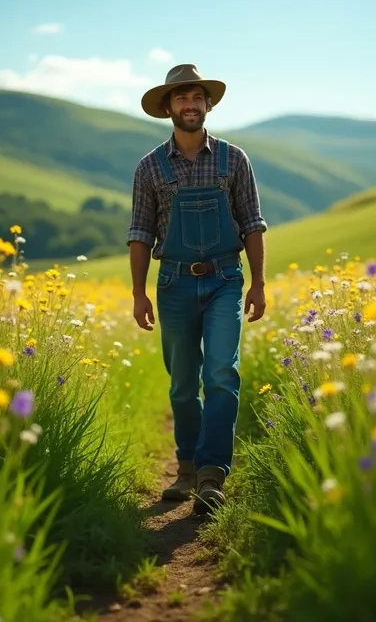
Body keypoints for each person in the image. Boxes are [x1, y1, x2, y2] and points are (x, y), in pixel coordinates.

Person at [127, 64, 267, 515]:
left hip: (226, 278)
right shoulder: (149, 167)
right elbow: (140, 232)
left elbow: (252, 223)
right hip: (173, 283)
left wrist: (259, 282)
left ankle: (211, 474)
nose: (191, 105)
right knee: (184, 385)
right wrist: (138, 292)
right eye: (182, 98)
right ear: (168, 107)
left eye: (197, 97)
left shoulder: (234, 159)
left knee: (221, 375)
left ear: (207, 104)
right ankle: (186, 467)